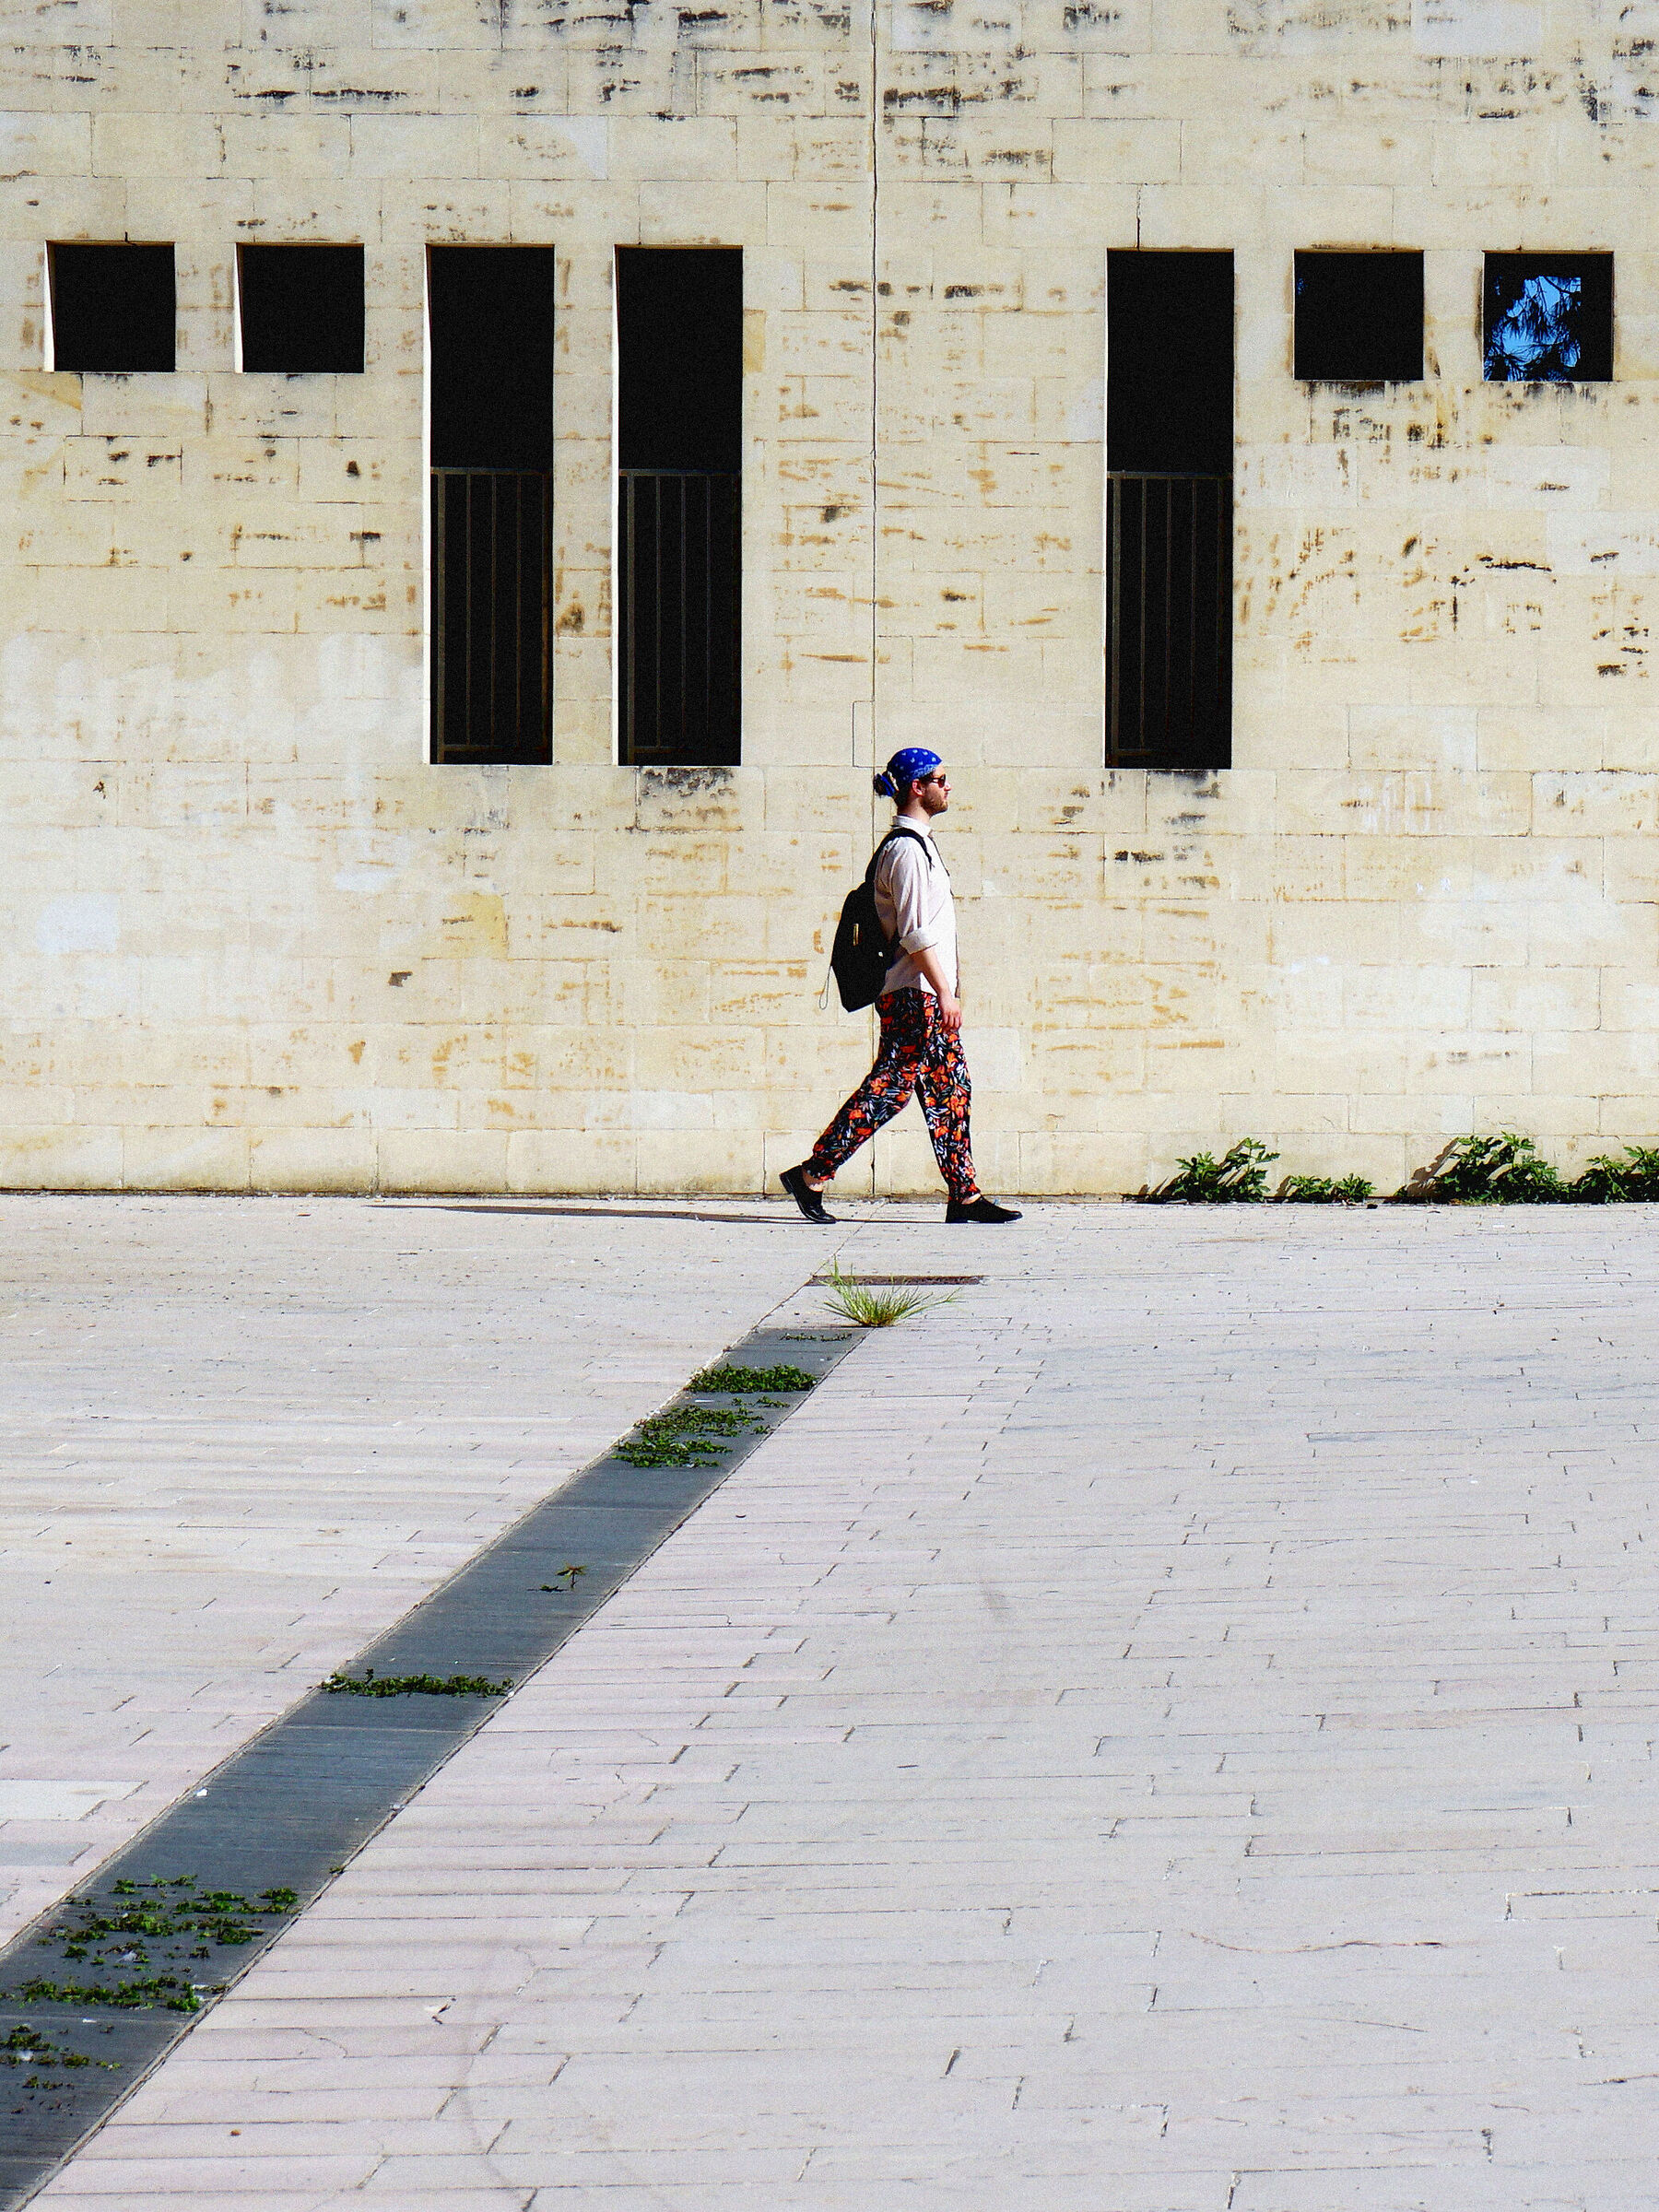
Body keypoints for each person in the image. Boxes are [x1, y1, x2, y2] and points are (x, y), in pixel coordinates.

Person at [781, 747, 1021, 1226]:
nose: (948, 786)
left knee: (952, 1090)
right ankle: (811, 1174)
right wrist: (945, 992)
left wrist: (946, 989)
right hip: (914, 995)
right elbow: (915, 933)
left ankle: (965, 1198)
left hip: (926, 993)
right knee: (890, 1089)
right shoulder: (906, 851)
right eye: (941, 778)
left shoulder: (921, 846)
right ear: (918, 787)